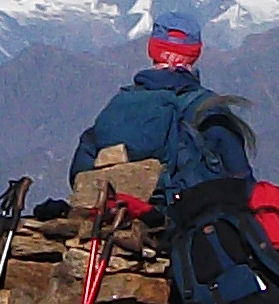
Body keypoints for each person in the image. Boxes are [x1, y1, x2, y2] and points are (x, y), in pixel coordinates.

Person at [74, 16, 242, 188]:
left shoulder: (121, 102)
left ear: (152, 49)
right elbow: (240, 177)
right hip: (185, 208)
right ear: (195, 53)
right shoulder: (208, 108)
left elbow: (79, 169)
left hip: (120, 207)